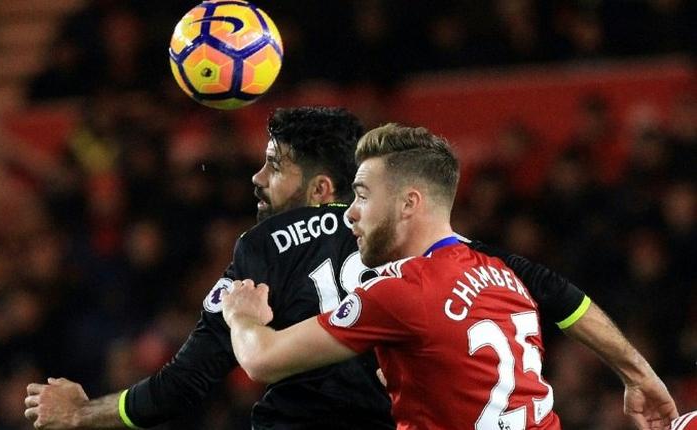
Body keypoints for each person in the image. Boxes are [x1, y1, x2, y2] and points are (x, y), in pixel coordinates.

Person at [24, 109, 675, 429]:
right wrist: (636, 370)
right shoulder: (450, 258)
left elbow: (193, 381)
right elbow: (558, 292)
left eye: (273, 164)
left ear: (319, 187)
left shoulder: (270, 246)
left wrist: (84, 415)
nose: (257, 179)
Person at [222, 123, 679, 430]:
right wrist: (637, 374)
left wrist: (242, 316)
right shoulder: (504, 275)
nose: (350, 214)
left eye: (361, 196)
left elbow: (263, 360)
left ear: (409, 203)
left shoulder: (398, 291)